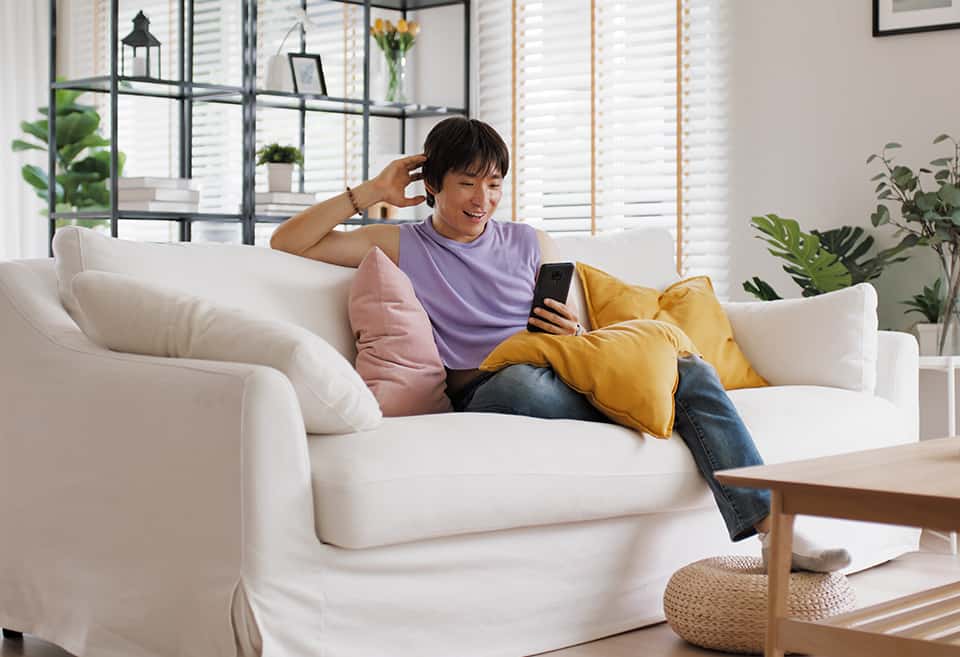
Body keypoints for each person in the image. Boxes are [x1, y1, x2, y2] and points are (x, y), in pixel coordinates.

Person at [271, 116, 850, 573]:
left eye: (494, 184)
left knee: (685, 368)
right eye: (467, 183)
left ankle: (777, 533)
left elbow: (569, 329)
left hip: (557, 363)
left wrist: (569, 330)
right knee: (527, 382)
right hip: (492, 381)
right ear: (432, 186)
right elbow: (289, 242)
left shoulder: (530, 240)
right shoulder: (402, 244)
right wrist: (370, 191)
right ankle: (647, 405)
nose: (482, 199)